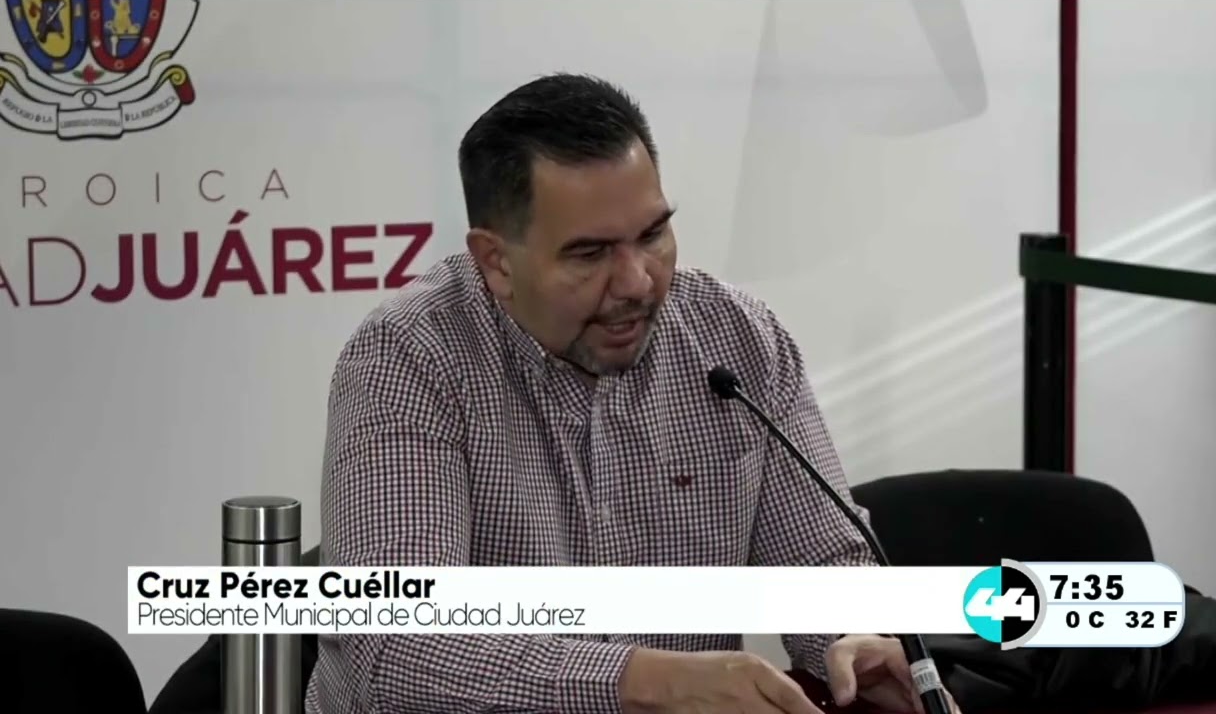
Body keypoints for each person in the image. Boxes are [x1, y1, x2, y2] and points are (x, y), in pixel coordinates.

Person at [306, 73, 959, 714]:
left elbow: (823, 561)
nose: (638, 282)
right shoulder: (410, 358)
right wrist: (650, 683)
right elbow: (393, 651)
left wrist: (856, 637)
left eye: (651, 235)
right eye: (589, 254)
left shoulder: (737, 337)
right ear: (497, 262)